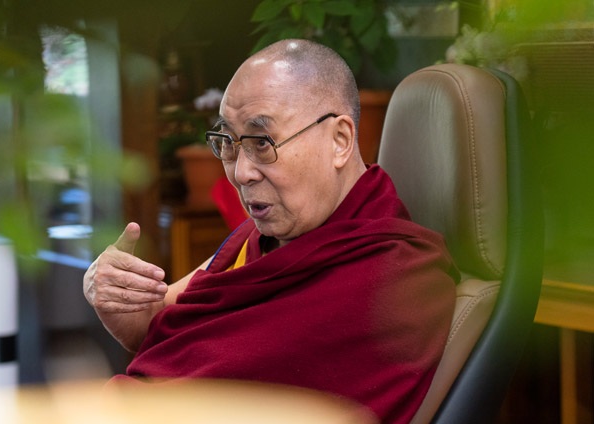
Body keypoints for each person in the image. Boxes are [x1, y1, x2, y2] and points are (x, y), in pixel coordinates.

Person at [84, 39, 458, 423]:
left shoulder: (394, 283)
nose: (241, 172)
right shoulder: (260, 239)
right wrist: (120, 302)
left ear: (340, 140)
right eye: (228, 143)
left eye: (262, 142)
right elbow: (160, 328)